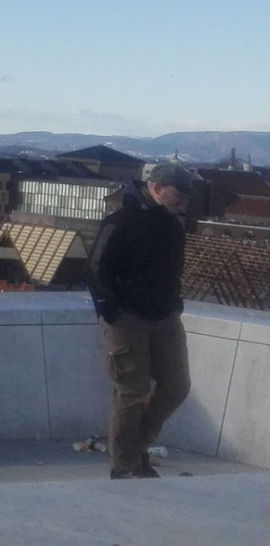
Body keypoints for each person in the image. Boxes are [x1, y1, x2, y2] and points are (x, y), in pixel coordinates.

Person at [91, 162, 196, 480]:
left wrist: (174, 302)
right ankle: (125, 466)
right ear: (158, 187)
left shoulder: (172, 225)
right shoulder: (122, 221)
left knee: (176, 386)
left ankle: (133, 450)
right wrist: (110, 310)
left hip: (164, 315)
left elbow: (171, 271)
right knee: (130, 390)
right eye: (178, 195)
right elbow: (97, 267)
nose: (182, 202)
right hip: (127, 318)